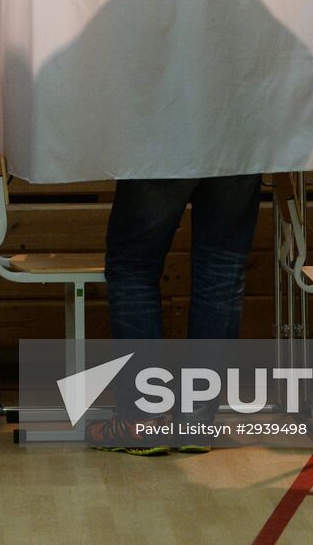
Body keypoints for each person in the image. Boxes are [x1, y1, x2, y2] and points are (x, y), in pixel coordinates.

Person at [87, 175, 262, 455]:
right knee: (222, 270)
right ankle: (196, 422)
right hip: (240, 140)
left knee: (134, 266)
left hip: (161, 139)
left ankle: (141, 422)